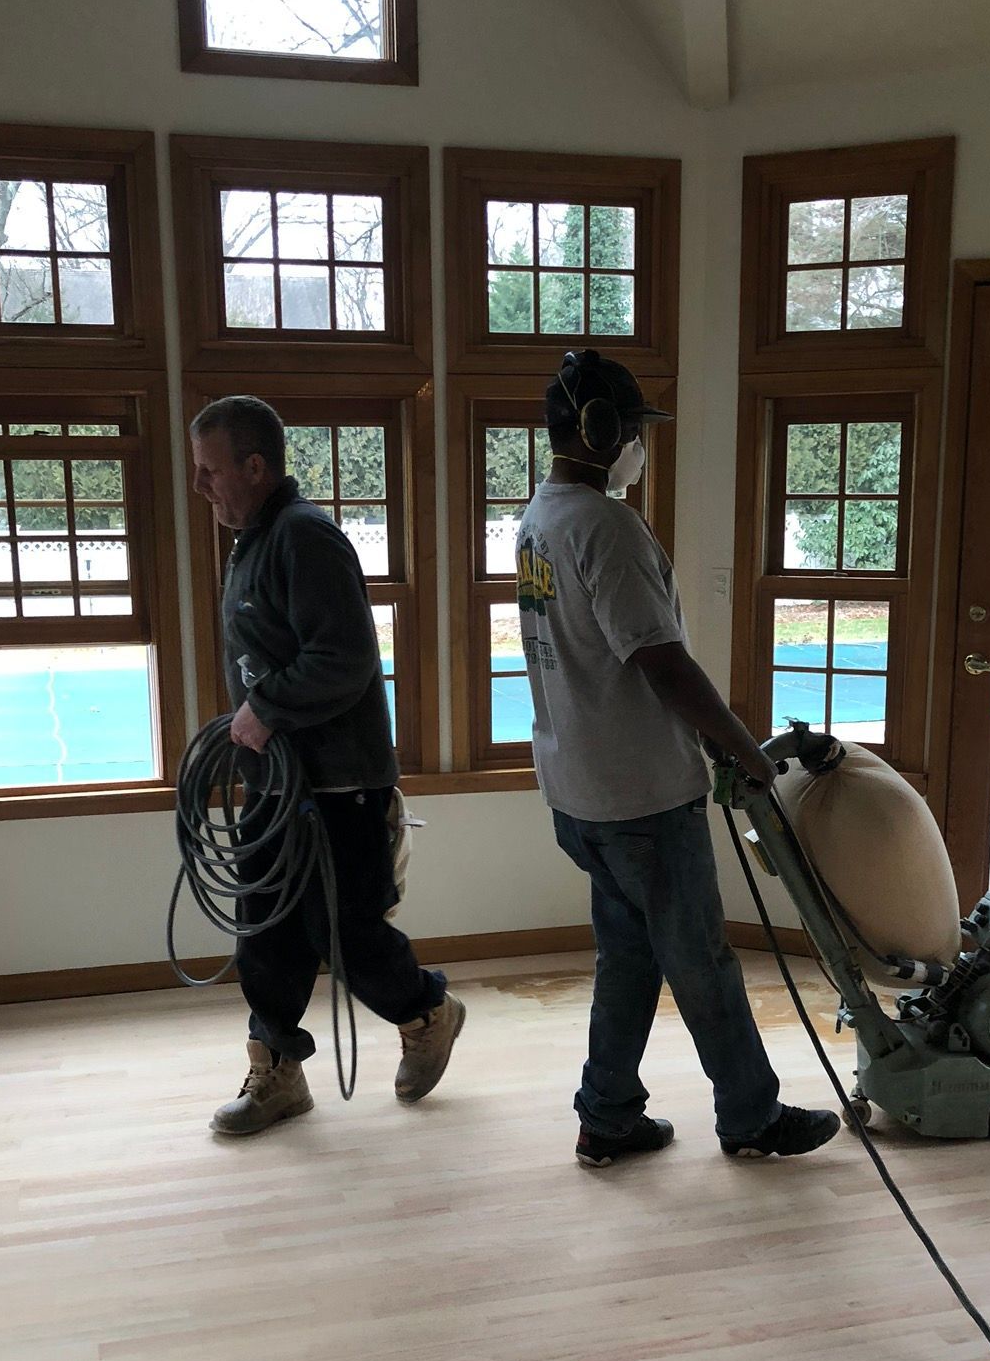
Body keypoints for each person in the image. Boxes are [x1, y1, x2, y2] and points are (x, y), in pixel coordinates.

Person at [516, 349, 840, 1168]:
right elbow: (660, 661)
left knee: (629, 959)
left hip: (578, 793)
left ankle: (608, 1117)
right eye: (636, 430)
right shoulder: (605, 527)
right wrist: (741, 750)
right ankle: (752, 1118)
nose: (641, 446)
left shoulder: (538, 518)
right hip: (641, 797)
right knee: (702, 963)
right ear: (602, 430)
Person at [190, 395, 463, 1134]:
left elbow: (343, 659)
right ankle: (277, 1070)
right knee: (263, 932)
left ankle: (426, 1012)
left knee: (345, 933)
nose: (201, 486)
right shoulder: (253, 541)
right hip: (278, 785)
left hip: (340, 786)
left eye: (211, 471)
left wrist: (265, 708)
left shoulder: (305, 538)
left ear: (255, 466)